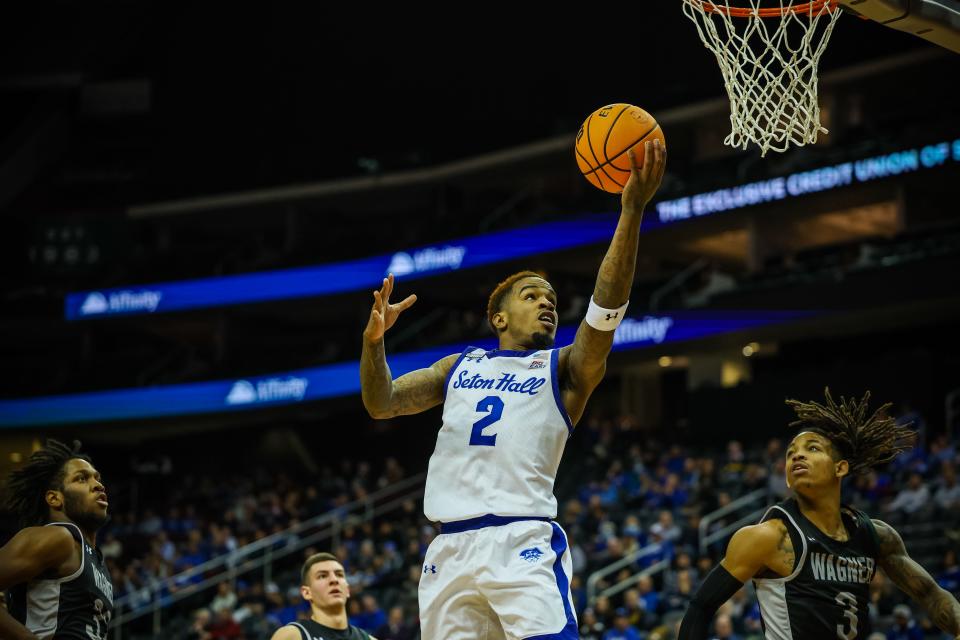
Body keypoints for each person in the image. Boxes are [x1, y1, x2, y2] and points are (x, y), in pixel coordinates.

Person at [360, 140, 666, 640]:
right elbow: (382, 402)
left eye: (551, 299)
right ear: (499, 317)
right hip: (449, 549)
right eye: (532, 296)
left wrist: (630, 212)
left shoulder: (563, 367)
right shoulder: (458, 365)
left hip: (521, 538)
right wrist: (373, 344)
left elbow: (604, 309)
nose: (547, 304)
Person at [677, 390, 960, 639]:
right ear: (787, 478)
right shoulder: (770, 537)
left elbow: (930, 594)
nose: (797, 457)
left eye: (812, 449)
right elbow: (701, 607)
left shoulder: (874, 535)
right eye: (790, 453)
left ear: (841, 468)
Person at [0, 439, 114, 640]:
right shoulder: (58, 538)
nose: (97, 485)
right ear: (55, 498)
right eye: (82, 479)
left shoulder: (96, 559)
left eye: (97, 478)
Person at [270, 552, 376, 640]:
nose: (334, 580)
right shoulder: (292, 635)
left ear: (347, 590)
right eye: (322, 576)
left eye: (339, 574)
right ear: (307, 593)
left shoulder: (368, 639)